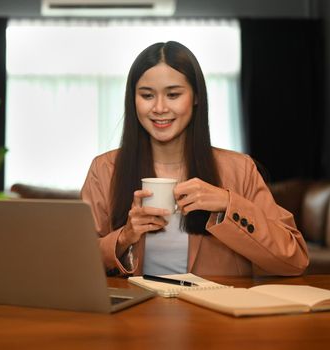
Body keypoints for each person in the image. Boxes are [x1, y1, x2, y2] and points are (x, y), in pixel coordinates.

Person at [81, 41, 308, 276]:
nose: (159, 107)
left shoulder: (239, 170)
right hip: (136, 311)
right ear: (133, 100)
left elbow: (294, 259)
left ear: (196, 97)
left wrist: (228, 204)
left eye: (173, 94)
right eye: (147, 95)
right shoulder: (105, 169)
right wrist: (124, 237)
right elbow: (75, 262)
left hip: (214, 311)